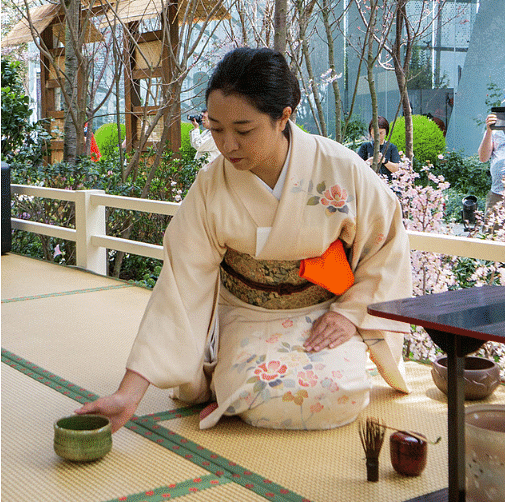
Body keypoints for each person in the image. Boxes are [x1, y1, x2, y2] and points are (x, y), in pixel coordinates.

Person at [76, 47, 412, 432]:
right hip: (247, 313)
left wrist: (350, 314)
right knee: (252, 390)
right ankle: (229, 374)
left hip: (325, 309)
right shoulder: (209, 188)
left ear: (283, 117)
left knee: (342, 391)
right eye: (216, 129)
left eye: (243, 130)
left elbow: (385, 245)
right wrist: (129, 392)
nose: (227, 145)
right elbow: (181, 285)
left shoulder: (340, 169)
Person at [477, 86, 505, 224]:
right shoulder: (497, 128)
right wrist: (489, 131)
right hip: (497, 194)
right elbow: (483, 158)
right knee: (493, 237)